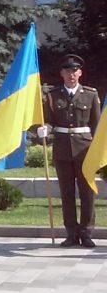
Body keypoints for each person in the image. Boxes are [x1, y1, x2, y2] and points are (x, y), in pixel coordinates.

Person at [39, 55, 101, 248]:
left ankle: (86, 232)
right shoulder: (52, 95)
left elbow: (97, 125)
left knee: (87, 192)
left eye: (74, 71)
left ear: (80, 73)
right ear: (62, 74)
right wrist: (45, 129)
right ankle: (71, 233)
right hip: (62, 149)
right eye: (67, 71)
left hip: (85, 149)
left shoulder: (90, 94)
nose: (71, 74)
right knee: (66, 193)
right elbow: (48, 120)